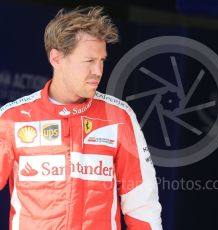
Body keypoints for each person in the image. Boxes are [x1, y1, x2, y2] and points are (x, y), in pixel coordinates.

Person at [0, 6, 162, 230]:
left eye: (102, 61)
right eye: (88, 61)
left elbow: (142, 202)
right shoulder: (11, 118)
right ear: (56, 58)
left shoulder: (119, 116)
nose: (98, 70)